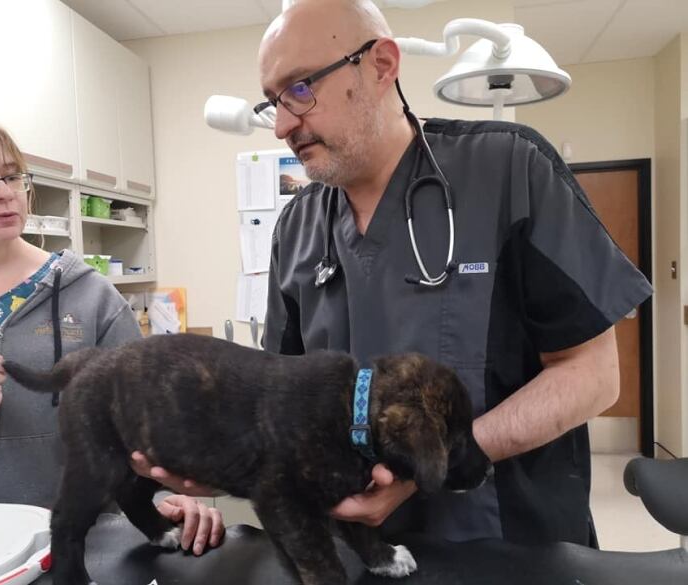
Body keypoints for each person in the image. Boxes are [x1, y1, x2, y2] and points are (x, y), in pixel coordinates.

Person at [257, 0, 653, 545]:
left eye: (300, 89)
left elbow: (594, 374)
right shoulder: (296, 229)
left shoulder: (510, 170)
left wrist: (439, 462)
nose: (281, 125)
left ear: (380, 65)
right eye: (271, 103)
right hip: (357, 552)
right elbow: (280, 394)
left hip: (511, 548)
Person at [0, 117, 223, 555]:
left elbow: (144, 429)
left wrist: (166, 498)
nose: (3, 192)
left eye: (11, 175)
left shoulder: (93, 298)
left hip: (80, 545)